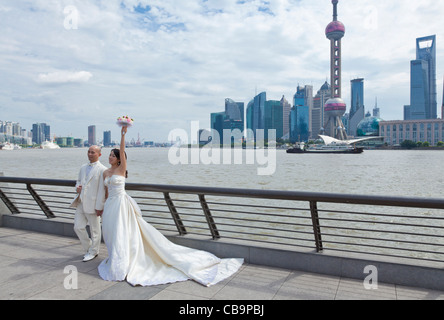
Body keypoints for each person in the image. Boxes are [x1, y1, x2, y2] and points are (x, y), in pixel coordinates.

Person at [98, 126, 243, 287]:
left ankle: (123, 264)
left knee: (121, 232)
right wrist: (102, 208)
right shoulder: (105, 173)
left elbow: (123, 150)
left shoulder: (121, 169)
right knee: (111, 233)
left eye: (113, 155)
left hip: (121, 205)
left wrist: (123, 135)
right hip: (110, 205)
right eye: (109, 155)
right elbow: (105, 192)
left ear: (119, 159)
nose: (110, 157)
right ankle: (115, 260)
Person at [72, 145, 107, 262]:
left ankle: (94, 251)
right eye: (89, 152)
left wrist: (99, 207)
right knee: (78, 227)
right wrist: (77, 187)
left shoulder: (103, 169)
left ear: (99, 154)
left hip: (93, 204)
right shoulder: (83, 167)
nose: (90, 154)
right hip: (81, 201)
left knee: (95, 230)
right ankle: (89, 248)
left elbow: (102, 190)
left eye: (93, 152)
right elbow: (78, 181)